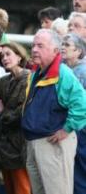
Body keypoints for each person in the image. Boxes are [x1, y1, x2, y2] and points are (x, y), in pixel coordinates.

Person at [22, 29, 86, 194]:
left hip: (53, 144)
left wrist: (67, 129)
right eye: (34, 45)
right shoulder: (38, 72)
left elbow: (82, 105)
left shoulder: (63, 74)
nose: (34, 49)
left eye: (40, 46)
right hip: (35, 143)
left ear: (55, 51)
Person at [0, 42, 31, 194]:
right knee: (9, 187)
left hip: (21, 143)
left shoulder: (29, 78)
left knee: (22, 187)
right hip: (4, 144)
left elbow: (23, 110)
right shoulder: (2, 82)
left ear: (19, 56)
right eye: (2, 56)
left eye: (8, 54)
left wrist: (2, 115)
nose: (4, 58)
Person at [60, 33, 86, 194]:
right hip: (73, 129)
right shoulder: (66, 70)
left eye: (67, 45)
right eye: (62, 44)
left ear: (78, 51)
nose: (62, 47)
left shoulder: (81, 72)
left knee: (79, 174)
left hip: (79, 130)